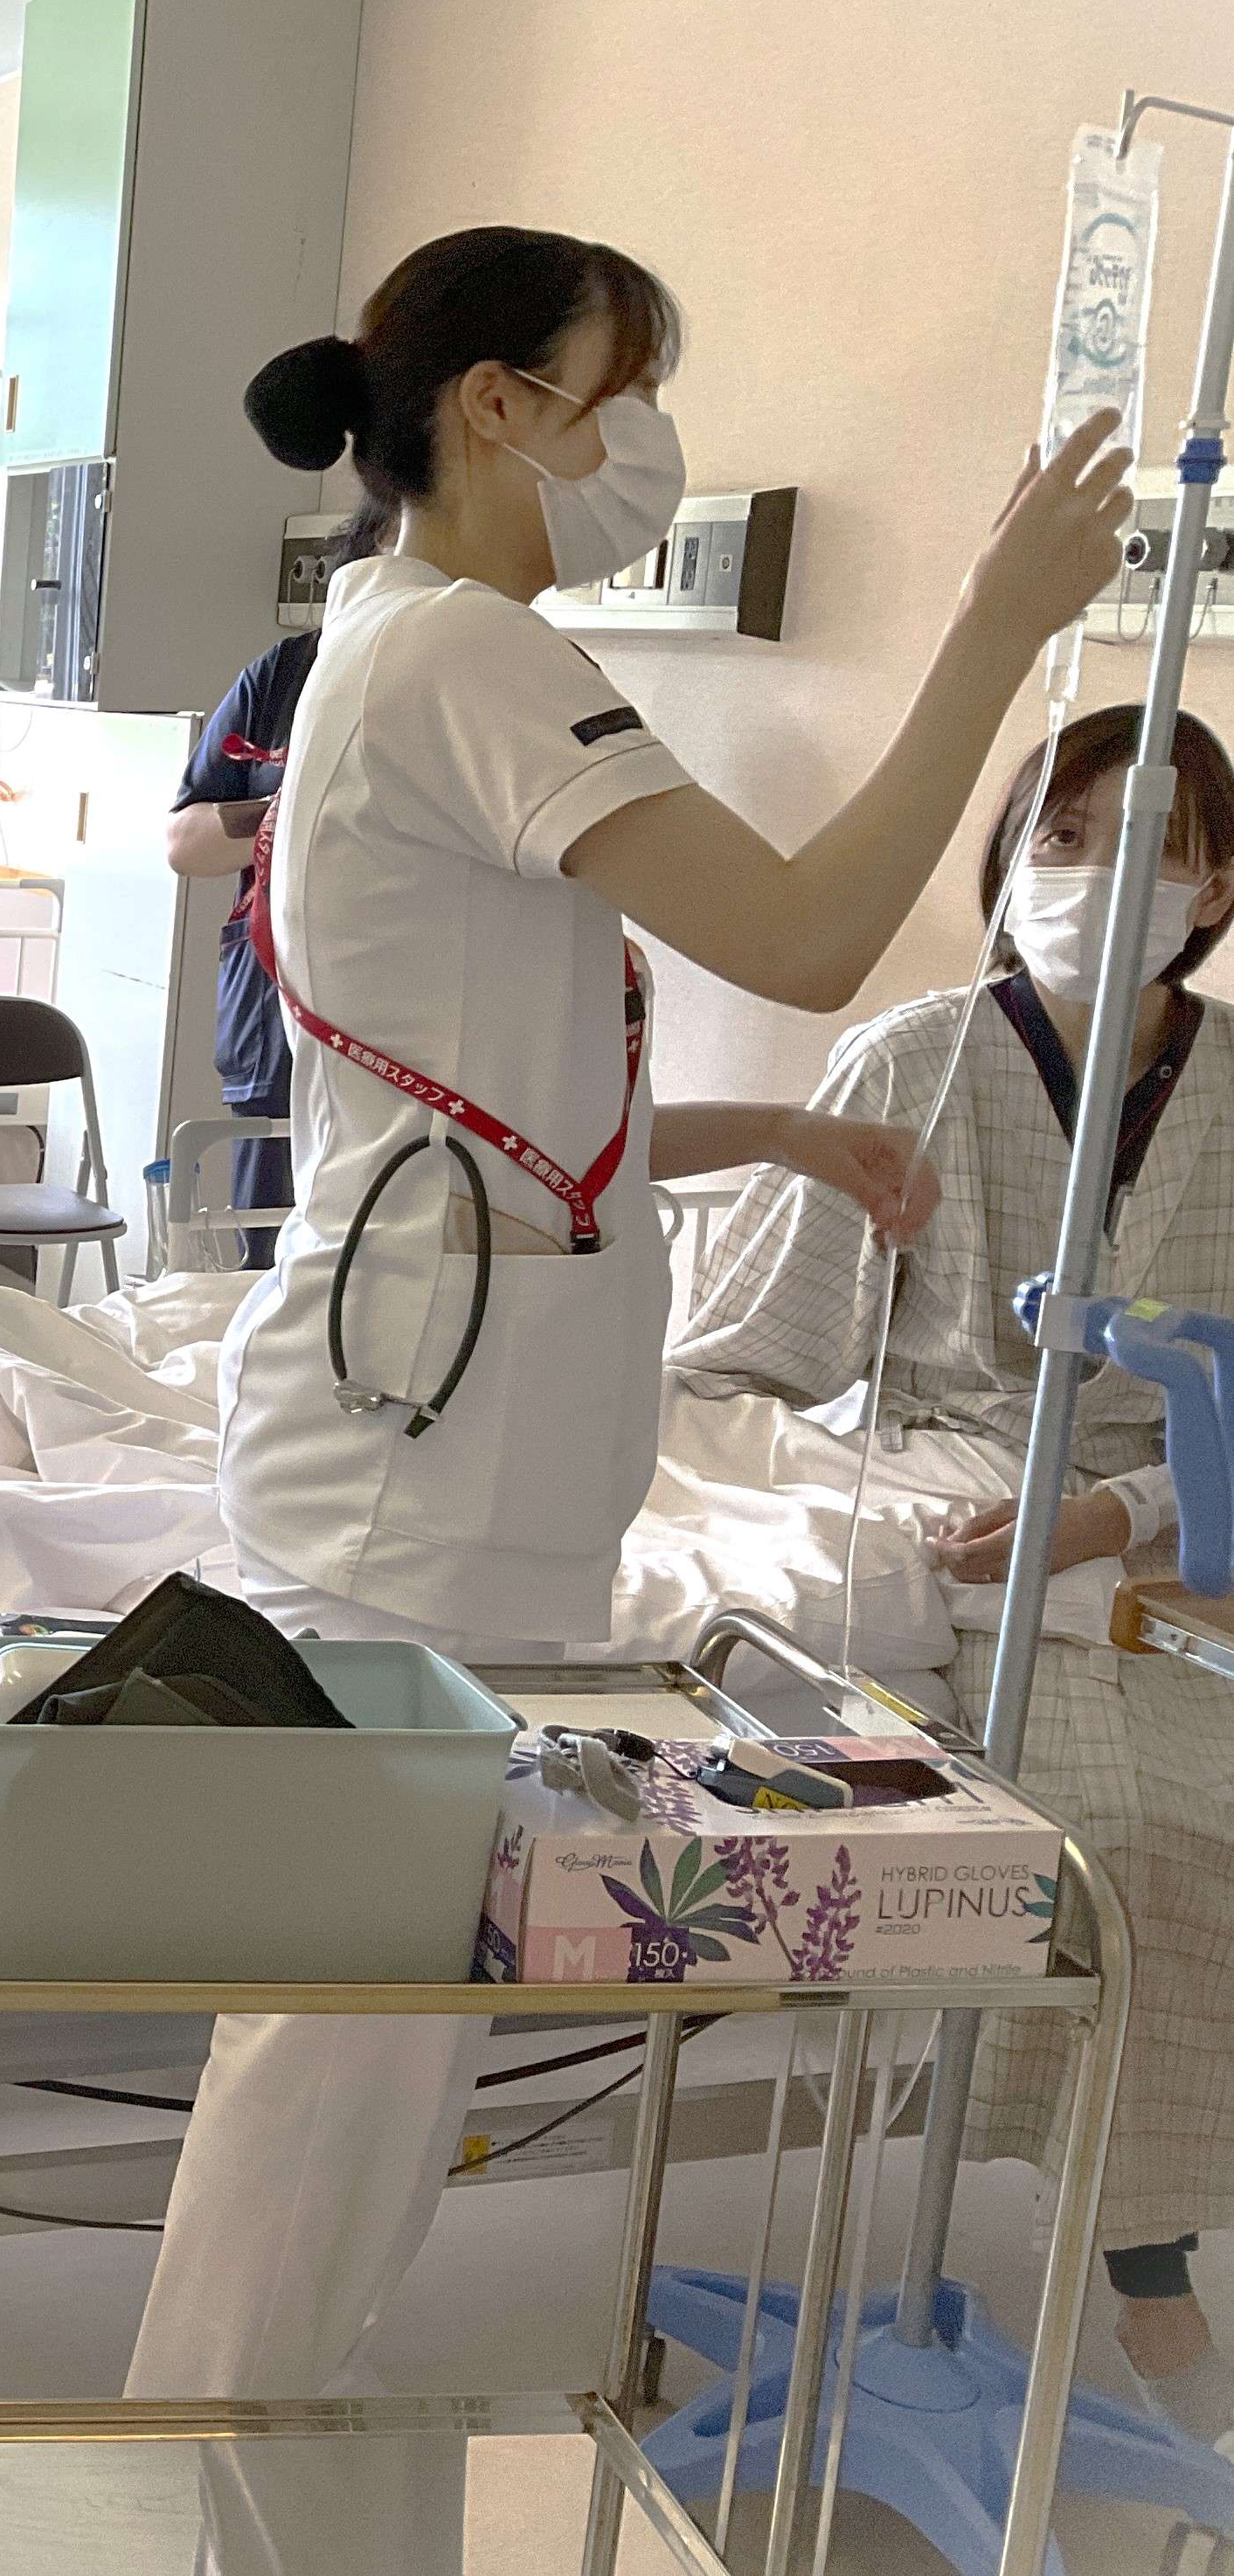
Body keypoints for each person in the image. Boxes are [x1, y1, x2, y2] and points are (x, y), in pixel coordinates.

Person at [122, 223, 1132, 2573]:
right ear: (496, 405)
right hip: (424, 1440)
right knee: (345, 2034)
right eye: (622, 388)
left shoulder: (406, 646)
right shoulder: (468, 652)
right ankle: (199, 2482)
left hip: (440, 1401)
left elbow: (488, 1099)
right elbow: (805, 931)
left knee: (369, 2034)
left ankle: (238, 2454)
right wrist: (997, 627)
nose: (644, 442)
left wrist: (777, 1134)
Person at [677, 703, 1234, 2442]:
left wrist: (1110, 1516)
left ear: (1215, 887)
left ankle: (1133, 2216)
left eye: (1147, 846)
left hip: (1165, 1521)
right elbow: (739, 1358)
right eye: (1058, 838)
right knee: (1130, 1829)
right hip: (947, 1490)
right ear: (1002, 860)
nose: (1094, 875)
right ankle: (1147, 2269)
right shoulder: (909, 1058)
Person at [161, 622, 323, 1265]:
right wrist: (293, 807)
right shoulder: (286, 674)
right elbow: (185, 843)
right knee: (267, 1257)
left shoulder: (470, 665)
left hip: (407, 1030)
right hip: (271, 1015)